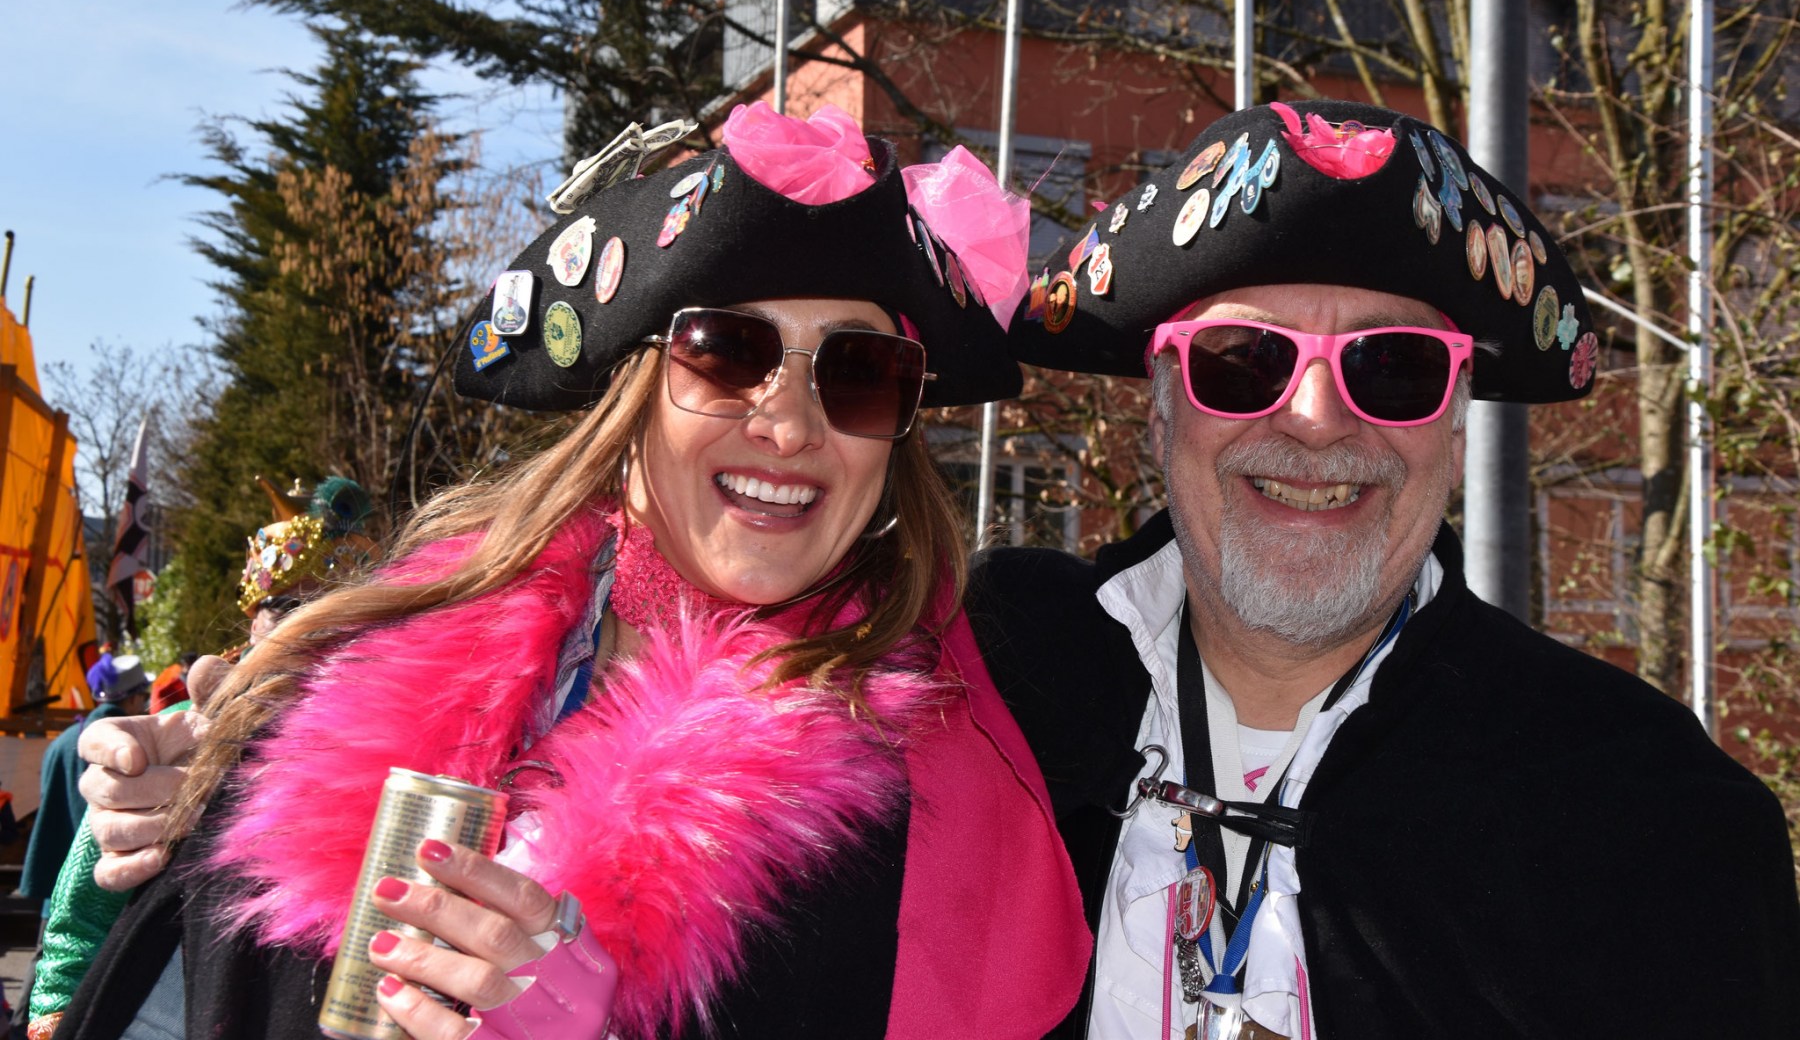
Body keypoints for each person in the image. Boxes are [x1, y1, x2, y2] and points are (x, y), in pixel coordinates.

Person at [61, 104, 1088, 1040]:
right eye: (728, 353)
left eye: (859, 373)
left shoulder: (913, 817)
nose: (788, 424)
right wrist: (204, 800)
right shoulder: (349, 688)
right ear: (628, 395)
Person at [970, 100, 1800, 1038]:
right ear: (1162, 416)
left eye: (1394, 368)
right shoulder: (982, 693)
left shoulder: (1652, 818)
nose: (1316, 419)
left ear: (1455, 433)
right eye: (1243, 361)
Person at [27, 481, 377, 1040]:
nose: (308, 628)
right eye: (287, 608)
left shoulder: (386, 739)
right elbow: (81, 914)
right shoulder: (183, 730)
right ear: (253, 620)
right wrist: (54, 1019)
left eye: (333, 610)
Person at [15, 659, 151, 1040]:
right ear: (132, 698)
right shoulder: (138, 744)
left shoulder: (61, 743)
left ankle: (23, 1027)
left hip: (59, 882)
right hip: (106, 889)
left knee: (46, 962)